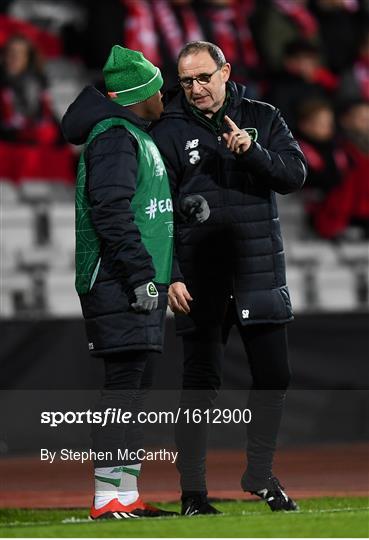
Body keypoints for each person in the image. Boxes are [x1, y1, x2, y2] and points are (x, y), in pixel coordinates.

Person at [151, 41, 307, 515]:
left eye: (203, 77)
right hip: (200, 278)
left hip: (258, 272)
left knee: (275, 375)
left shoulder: (263, 115)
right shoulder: (168, 133)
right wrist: (170, 275)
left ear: (225, 72)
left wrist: (253, 152)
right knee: (200, 385)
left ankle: (259, 474)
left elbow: (295, 175)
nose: (194, 88)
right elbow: (157, 214)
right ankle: (193, 493)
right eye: (186, 81)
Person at [62, 45, 179, 520]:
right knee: (124, 389)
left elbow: (134, 206)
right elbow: (110, 212)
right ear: (139, 94)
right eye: (156, 86)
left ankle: (124, 495)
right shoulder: (115, 136)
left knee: (134, 388)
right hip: (120, 281)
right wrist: (140, 276)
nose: (163, 95)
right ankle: (107, 496)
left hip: (131, 280)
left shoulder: (127, 133)